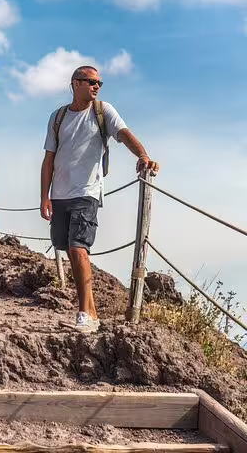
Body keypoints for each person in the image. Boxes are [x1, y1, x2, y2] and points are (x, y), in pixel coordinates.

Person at [40, 65, 160, 332]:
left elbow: (124, 135)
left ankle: (84, 313)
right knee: (68, 248)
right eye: (91, 81)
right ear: (75, 83)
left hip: (88, 191)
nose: (97, 86)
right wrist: (44, 197)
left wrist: (142, 155)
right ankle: (91, 313)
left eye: (99, 83)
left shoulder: (103, 111)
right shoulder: (57, 117)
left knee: (78, 248)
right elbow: (49, 158)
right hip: (59, 195)